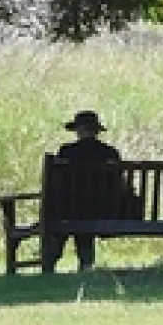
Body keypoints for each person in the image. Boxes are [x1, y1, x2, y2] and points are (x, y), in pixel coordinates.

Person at [43, 110, 125, 272]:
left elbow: (57, 183)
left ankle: (51, 261)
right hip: (103, 210)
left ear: (78, 130)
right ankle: (86, 263)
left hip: (69, 211)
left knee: (70, 212)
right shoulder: (110, 153)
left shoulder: (67, 152)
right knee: (85, 212)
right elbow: (118, 183)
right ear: (96, 131)